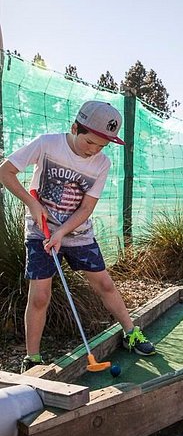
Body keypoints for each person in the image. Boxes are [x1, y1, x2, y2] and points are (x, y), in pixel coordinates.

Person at [0, 101, 156, 373]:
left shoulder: (102, 164)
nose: (94, 150)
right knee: (40, 296)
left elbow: (86, 208)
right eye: (91, 142)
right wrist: (33, 204)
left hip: (78, 232)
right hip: (40, 232)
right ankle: (32, 358)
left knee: (105, 284)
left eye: (102, 146)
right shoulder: (47, 144)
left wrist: (62, 231)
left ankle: (131, 332)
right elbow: (5, 172)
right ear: (75, 128)